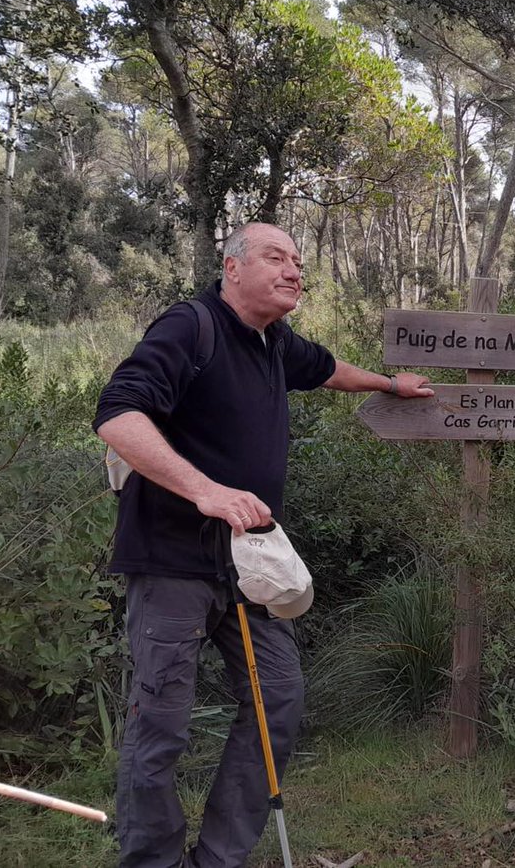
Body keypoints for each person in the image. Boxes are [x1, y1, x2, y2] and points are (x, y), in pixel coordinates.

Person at [93, 222, 433, 868]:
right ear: (233, 267)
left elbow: (327, 368)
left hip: (248, 566)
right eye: (276, 257)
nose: (294, 271)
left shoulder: (272, 341)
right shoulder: (189, 327)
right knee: (160, 720)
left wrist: (391, 386)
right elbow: (118, 414)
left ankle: (219, 855)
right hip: (171, 561)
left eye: (299, 262)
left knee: (278, 697)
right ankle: (153, 861)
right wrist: (205, 491)